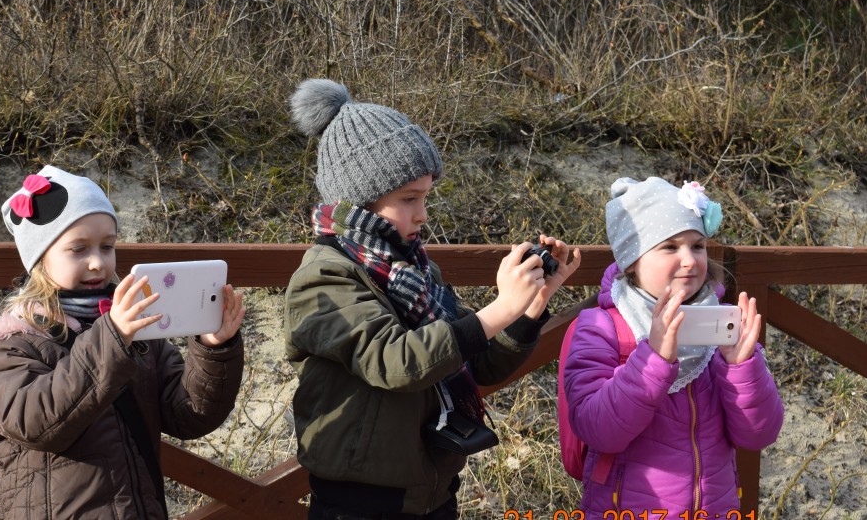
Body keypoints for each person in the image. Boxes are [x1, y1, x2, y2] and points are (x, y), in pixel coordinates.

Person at [283, 78, 581, 519]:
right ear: (361, 200)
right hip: (359, 501)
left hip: (433, 492)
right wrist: (498, 308)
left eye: (425, 197)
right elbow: (395, 361)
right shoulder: (324, 276)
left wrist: (533, 302)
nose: (422, 214)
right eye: (409, 199)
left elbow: (479, 364)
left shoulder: (414, 268)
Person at [0, 165, 245, 520]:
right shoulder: (12, 343)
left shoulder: (132, 329)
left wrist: (213, 347)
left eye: (107, 246)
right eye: (78, 249)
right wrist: (113, 336)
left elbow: (189, 415)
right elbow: (37, 422)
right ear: (40, 260)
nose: (96, 263)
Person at [563, 177, 783, 515]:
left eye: (697, 246)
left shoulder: (718, 324)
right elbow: (598, 430)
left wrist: (742, 367)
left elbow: (759, 434)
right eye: (670, 247)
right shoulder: (601, 326)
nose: (689, 260)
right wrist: (654, 358)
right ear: (632, 260)